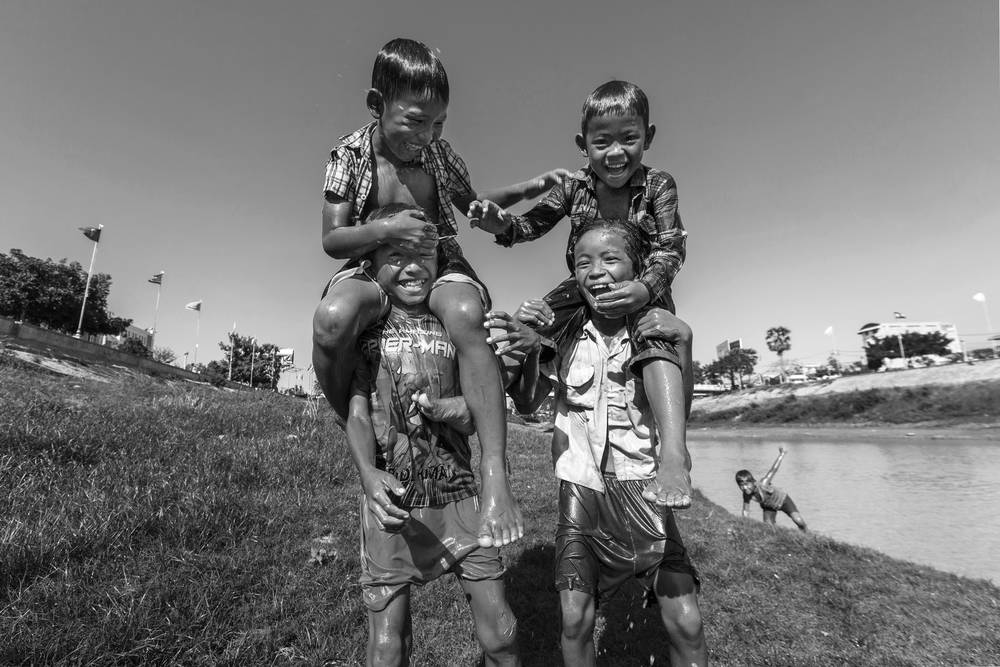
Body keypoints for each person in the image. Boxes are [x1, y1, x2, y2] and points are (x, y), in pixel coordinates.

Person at [314, 37, 568, 548]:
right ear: (375, 105)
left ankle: (495, 471)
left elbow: (472, 205)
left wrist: (531, 187)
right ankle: (352, 424)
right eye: (414, 121)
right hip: (375, 263)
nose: (425, 135)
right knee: (332, 320)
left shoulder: (439, 156)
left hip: (439, 258)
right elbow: (332, 239)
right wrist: (387, 233)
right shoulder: (350, 153)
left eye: (438, 124)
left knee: (468, 311)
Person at [470, 80, 693, 499]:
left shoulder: (659, 184)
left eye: (629, 139)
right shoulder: (574, 186)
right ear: (583, 144)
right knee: (528, 324)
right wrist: (502, 225)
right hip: (582, 284)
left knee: (656, 336)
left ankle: (675, 455)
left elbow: (671, 248)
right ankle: (480, 403)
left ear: (648, 137)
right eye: (601, 142)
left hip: (643, 280)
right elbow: (530, 225)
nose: (615, 153)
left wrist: (645, 290)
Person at [502, 219, 707, 666]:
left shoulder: (652, 324)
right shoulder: (567, 330)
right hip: (583, 490)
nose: (595, 271)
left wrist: (685, 340)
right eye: (582, 262)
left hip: (643, 487)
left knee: (686, 619)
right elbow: (525, 402)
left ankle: (677, 459)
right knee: (574, 617)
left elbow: (680, 407)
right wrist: (525, 343)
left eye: (610, 259)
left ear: (638, 269)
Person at [345, 206, 521, 666]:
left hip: (460, 494)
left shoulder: (460, 327)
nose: (411, 266)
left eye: (424, 253)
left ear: (443, 261)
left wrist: (454, 408)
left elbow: (481, 409)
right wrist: (367, 473)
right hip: (394, 501)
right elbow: (358, 413)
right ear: (371, 264)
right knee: (388, 644)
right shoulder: (366, 332)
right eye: (395, 255)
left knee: (501, 631)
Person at [736, 447, 808, 530]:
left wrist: (781, 454)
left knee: (798, 521)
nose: (744, 487)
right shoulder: (746, 494)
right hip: (768, 506)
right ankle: (779, 537)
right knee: (768, 527)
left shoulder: (763, 484)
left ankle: (806, 533)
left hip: (783, 500)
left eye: (747, 484)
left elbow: (773, 470)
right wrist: (744, 525)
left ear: (752, 482)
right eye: (741, 485)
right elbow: (745, 511)